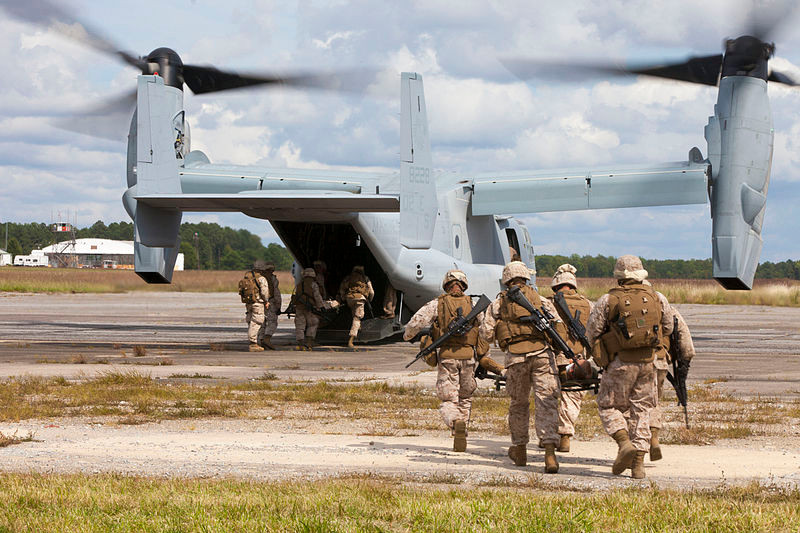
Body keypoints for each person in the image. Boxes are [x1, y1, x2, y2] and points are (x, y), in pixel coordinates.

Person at [585, 255, 674, 479]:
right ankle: (638, 464)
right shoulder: (657, 297)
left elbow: (592, 331)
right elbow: (668, 326)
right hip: (647, 362)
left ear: (619, 277)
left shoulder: (608, 300)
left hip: (619, 362)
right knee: (642, 410)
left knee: (608, 405)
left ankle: (624, 443)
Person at [479, 261, 568, 474]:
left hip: (516, 359)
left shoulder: (499, 304)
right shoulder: (541, 300)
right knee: (546, 403)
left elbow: (485, 333)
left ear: (506, 280)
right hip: (542, 356)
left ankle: (520, 451)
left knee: (519, 404)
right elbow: (558, 325)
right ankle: (549, 454)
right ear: (526, 278)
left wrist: (505, 329)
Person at [403, 270, 504, 452]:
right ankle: (462, 432)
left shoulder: (437, 304)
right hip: (469, 358)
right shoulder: (473, 304)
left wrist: (407, 335)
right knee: (465, 397)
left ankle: (455, 422)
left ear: (446, 285)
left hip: (447, 358)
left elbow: (416, 322)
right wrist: (484, 354)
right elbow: (486, 330)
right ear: (464, 285)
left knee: (448, 399)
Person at [645, 285, 696, 461]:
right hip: (658, 361)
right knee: (653, 400)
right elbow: (686, 345)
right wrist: (681, 375)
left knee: (629, 404)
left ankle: (632, 444)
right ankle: (653, 437)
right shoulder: (666, 308)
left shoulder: (617, 303)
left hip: (626, 362)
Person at [549, 263, 593, 453]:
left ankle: (548, 437)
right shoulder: (588, 304)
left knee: (547, 397)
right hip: (577, 360)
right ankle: (565, 435)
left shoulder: (548, 303)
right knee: (572, 396)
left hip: (552, 359)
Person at [238, 260, 272, 352]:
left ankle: (252, 341)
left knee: (250, 321)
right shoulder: (261, 278)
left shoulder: (247, 276)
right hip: (258, 303)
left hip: (249, 302)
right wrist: (266, 301)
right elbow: (264, 292)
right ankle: (253, 344)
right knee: (257, 321)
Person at [337, 265, 374, 348]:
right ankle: (351, 340)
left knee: (354, 315)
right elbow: (371, 291)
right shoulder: (365, 278)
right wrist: (369, 299)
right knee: (357, 318)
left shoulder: (349, 277)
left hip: (349, 298)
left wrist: (343, 297)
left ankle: (358, 329)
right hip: (360, 299)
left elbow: (342, 287)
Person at [294, 267, 325, 351]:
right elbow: (317, 296)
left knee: (300, 325)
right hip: (309, 307)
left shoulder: (299, 284)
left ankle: (300, 343)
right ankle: (309, 342)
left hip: (299, 306)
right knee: (313, 323)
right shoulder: (313, 284)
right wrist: (321, 307)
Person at [260, 261, 281, 350]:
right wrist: (278, 306)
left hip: (260, 303)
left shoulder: (259, 278)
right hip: (270, 302)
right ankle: (267, 339)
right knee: (272, 322)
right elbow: (276, 293)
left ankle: (261, 341)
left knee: (262, 322)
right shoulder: (273, 279)